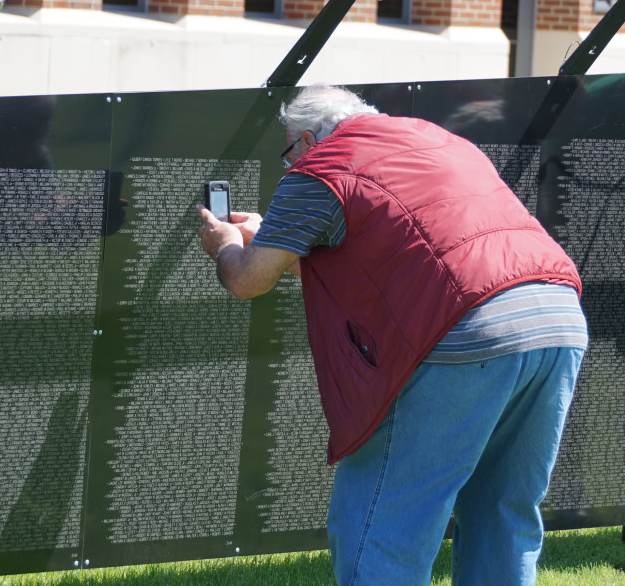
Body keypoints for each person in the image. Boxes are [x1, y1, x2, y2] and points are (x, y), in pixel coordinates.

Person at [196, 84, 588, 586]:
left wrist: (226, 243)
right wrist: (275, 234)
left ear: (309, 139)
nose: (291, 161)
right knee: (503, 510)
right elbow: (397, 258)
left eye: (291, 149)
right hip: (556, 319)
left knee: (384, 524)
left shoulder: (320, 167)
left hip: (466, 331)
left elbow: (248, 280)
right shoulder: (437, 140)